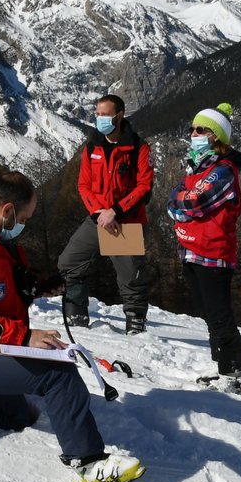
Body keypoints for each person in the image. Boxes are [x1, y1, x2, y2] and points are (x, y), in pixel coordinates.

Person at [0, 171, 144, 482]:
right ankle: (90, 463)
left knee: (20, 416)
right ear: (8, 210)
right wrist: (23, 337)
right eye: (23, 218)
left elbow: (3, 286)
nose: (23, 224)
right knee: (58, 374)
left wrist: (36, 287)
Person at [168, 103, 241, 393]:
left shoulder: (223, 171)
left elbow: (192, 202)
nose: (194, 133)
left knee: (219, 314)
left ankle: (233, 375)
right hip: (190, 250)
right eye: (192, 129)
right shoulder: (197, 167)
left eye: (201, 129)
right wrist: (182, 202)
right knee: (207, 313)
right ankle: (223, 368)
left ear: (216, 136)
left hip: (213, 254)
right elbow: (174, 200)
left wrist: (183, 203)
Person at [58, 93, 154, 333]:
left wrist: (116, 211)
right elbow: (84, 185)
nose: (100, 119)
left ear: (119, 116)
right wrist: (97, 213)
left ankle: (135, 327)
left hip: (125, 221)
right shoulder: (93, 146)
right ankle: (76, 318)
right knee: (70, 262)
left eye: (105, 114)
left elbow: (144, 186)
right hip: (98, 219)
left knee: (130, 277)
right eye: (97, 114)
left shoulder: (138, 147)